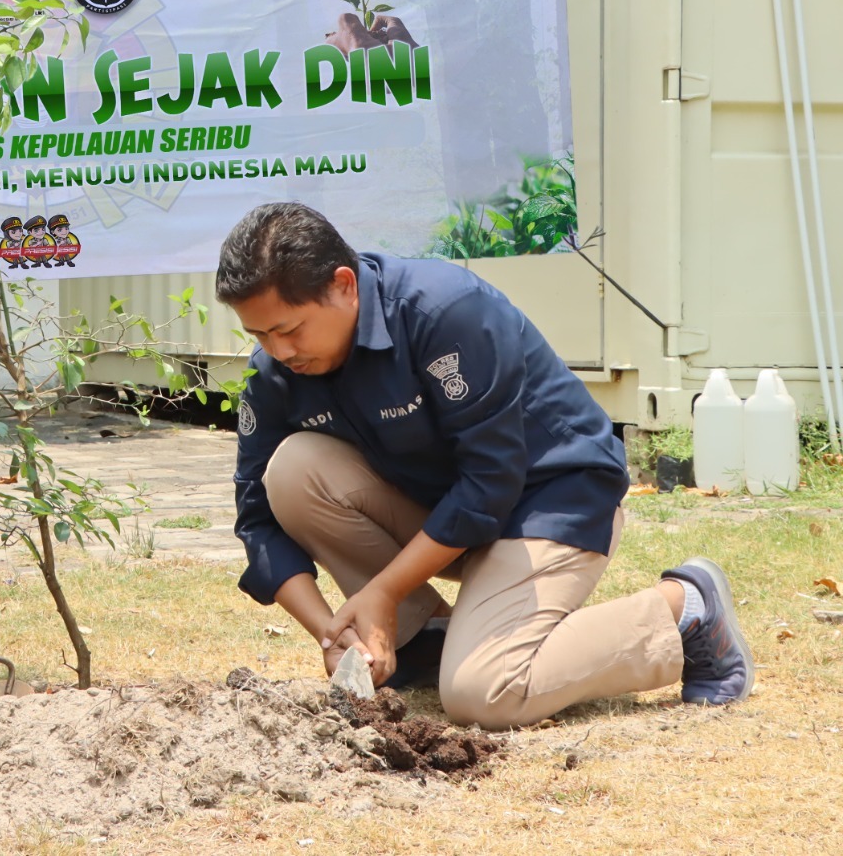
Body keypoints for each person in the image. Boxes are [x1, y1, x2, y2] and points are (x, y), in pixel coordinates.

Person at [216, 202, 752, 730]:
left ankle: (686, 612)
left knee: (483, 693)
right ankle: (426, 642)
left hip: (548, 500)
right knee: (292, 470)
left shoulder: (445, 313)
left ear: (344, 285)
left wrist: (383, 591)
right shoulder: (275, 372)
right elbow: (258, 519)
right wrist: (331, 634)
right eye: (260, 335)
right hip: (445, 514)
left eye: (289, 329)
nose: (278, 350)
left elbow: (489, 481)